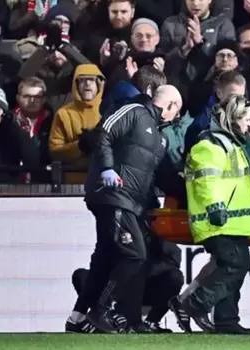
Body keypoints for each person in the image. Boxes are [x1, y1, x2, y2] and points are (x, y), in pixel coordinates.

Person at [66, 85, 183, 334]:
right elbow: (103, 133)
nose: (176, 118)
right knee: (134, 255)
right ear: (171, 106)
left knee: (105, 261)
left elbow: (163, 176)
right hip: (115, 196)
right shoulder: (134, 111)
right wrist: (107, 168)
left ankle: (77, 318)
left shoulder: (159, 138)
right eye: (177, 111)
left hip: (130, 203)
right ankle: (102, 310)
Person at [169, 95, 250, 334]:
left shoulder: (235, 144)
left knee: (234, 266)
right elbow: (206, 180)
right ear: (234, 119)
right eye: (246, 118)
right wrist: (215, 207)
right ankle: (192, 305)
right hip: (219, 220)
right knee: (234, 265)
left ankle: (227, 321)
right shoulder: (211, 144)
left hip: (234, 222)